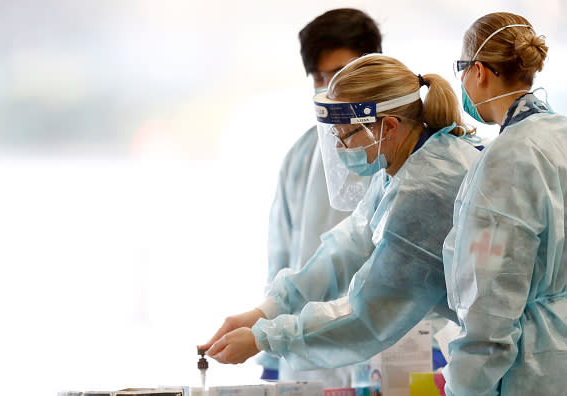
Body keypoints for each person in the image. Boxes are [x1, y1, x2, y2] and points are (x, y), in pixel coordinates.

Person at [199, 54, 481, 374]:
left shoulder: (425, 190)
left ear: (388, 127)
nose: (338, 147)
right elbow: (347, 247)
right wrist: (265, 311)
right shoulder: (405, 164)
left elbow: (368, 314)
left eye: (345, 135)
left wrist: (265, 338)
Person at [442, 12, 567, 395]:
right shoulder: (559, 134)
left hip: (532, 369)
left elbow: (490, 302)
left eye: (461, 69)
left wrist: (462, 385)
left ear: (479, 71)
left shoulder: (508, 157)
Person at [262, 8, 382, 385]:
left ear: (372, 67)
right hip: (306, 354)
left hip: (387, 347)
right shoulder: (300, 157)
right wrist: (268, 352)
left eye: (341, 73)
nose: (330, 87)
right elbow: (281, 256)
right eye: (320, 76)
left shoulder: (402, 148)